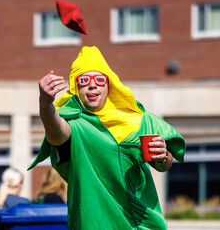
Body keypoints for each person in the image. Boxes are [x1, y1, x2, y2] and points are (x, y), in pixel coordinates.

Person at [28, 46, 186, 229]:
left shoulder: (139, 120)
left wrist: (163, 155)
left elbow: (164, 164)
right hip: (93, 223)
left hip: (141, 224)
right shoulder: (74, 125)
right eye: (84, 80)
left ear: (109, 84)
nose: (92, 84)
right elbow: (56, 132)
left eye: (99, 80)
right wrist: (45, 104)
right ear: (75, 87)